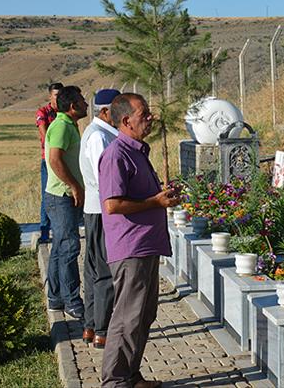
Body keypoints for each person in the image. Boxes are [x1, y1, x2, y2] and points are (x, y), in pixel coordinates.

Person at [99, 93, 180, 388]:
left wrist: (160, 199)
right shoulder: (116, 155)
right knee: (127, 318)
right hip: (130, 248)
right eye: (144, 114)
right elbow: (113, 205)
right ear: (125, 121)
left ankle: (131, 376)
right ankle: (115, 381)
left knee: (144, 315)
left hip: (146, 245)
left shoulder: (137, 152)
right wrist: (154, 202)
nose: (150, 118)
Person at [79, 89, 120, 349]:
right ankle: (102, 329)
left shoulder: (101, 133)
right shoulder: (98, 137)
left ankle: (91, 325)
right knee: (103, 271)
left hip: (97, 209)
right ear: (105, 112)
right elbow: (104, 177)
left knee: (95, 270)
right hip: (99, 210)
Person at [45, 85, 87, 320]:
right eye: (82, 100)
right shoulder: (61, 126)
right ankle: (72, 301)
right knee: (70, 247)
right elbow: (54, 160)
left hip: (63, 195)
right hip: (61, 197)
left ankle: (56, 297)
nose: (86, 104)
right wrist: (73, 186)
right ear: (73, 106)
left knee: (61, 248)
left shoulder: (68, 125)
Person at [36, 82, 63, 243]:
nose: (58, 98)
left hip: (64, 158)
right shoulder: (43, 112)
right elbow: (45, 135)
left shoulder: (64, 111)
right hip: (48, 159)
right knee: (47, 194)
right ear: (50, 96)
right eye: (56, 95)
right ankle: (45, 230)